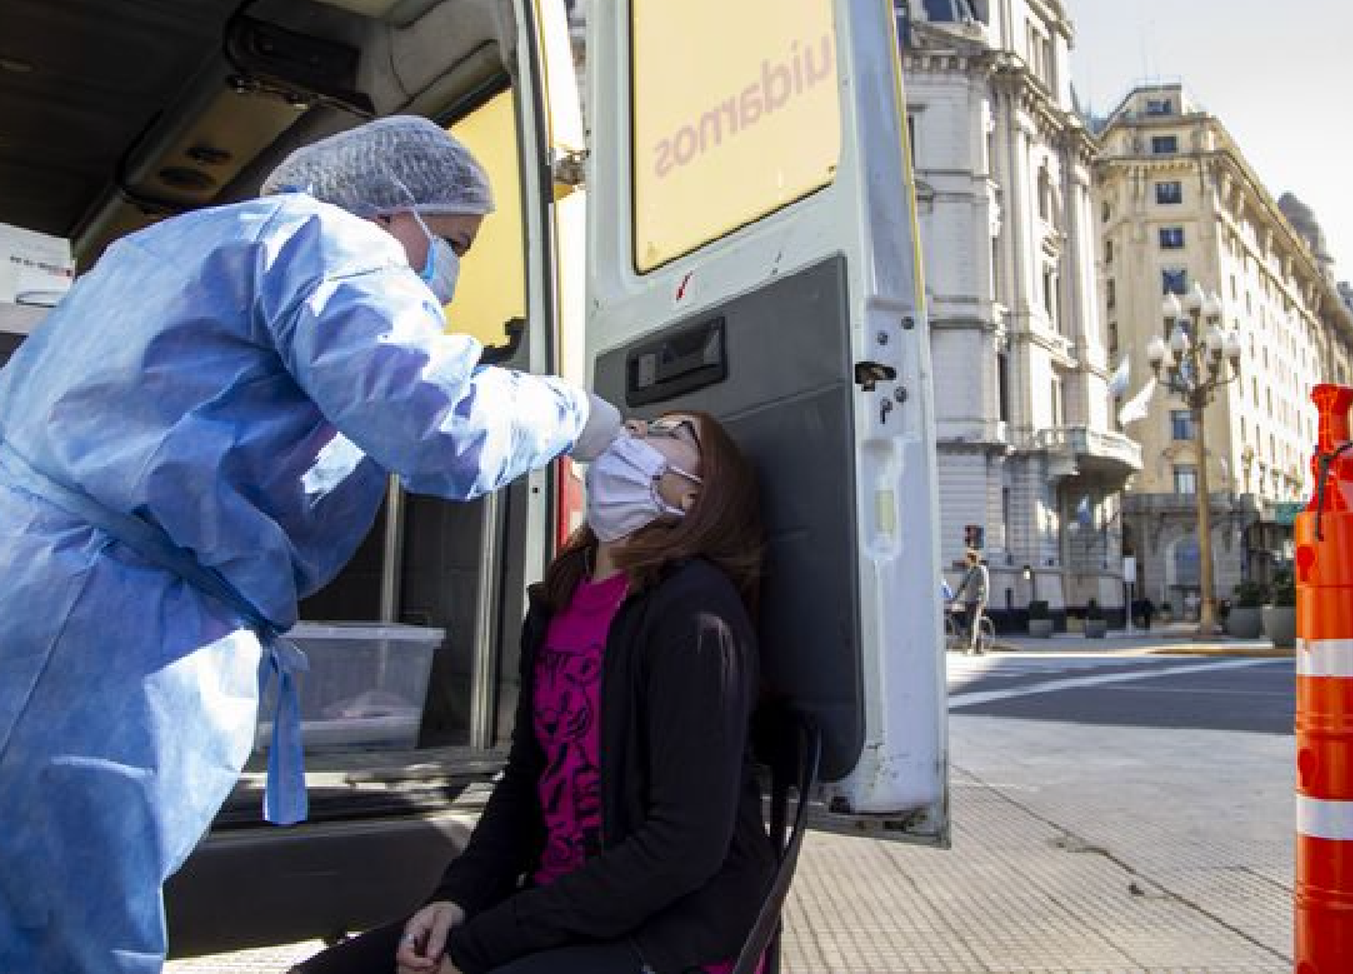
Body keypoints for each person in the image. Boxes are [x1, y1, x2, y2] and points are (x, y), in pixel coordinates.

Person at [0, 116, 621, 973]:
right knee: (66, 928)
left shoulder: (160, 251)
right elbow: (438, 425)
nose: (446, 275)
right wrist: (572, 412)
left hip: (35, 576)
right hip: (107, 627)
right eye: (453, 243)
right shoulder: (333, 240)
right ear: (395, 211)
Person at [292, 412, 776, 974]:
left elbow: (683, 847)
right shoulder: (557, 603)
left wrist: (481, 947)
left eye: (672, 431)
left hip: (673, 933)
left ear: (694, 499)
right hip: (560, 911)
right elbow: (526, 780)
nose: (637, 430)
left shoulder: (695, 615)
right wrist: (457, 899)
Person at [956, 549, 991, 655]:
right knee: (971, 624)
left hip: (977, 601)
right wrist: (954, 598)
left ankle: (970, 647)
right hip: (968, 601)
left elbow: (986, 586)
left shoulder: (981, 569)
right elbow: (962, 585)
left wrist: (984, 600)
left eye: (966, 558)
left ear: (972, 558)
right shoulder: (969, 570)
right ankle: (979, 648)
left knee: (973, 624)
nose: (965, 560)